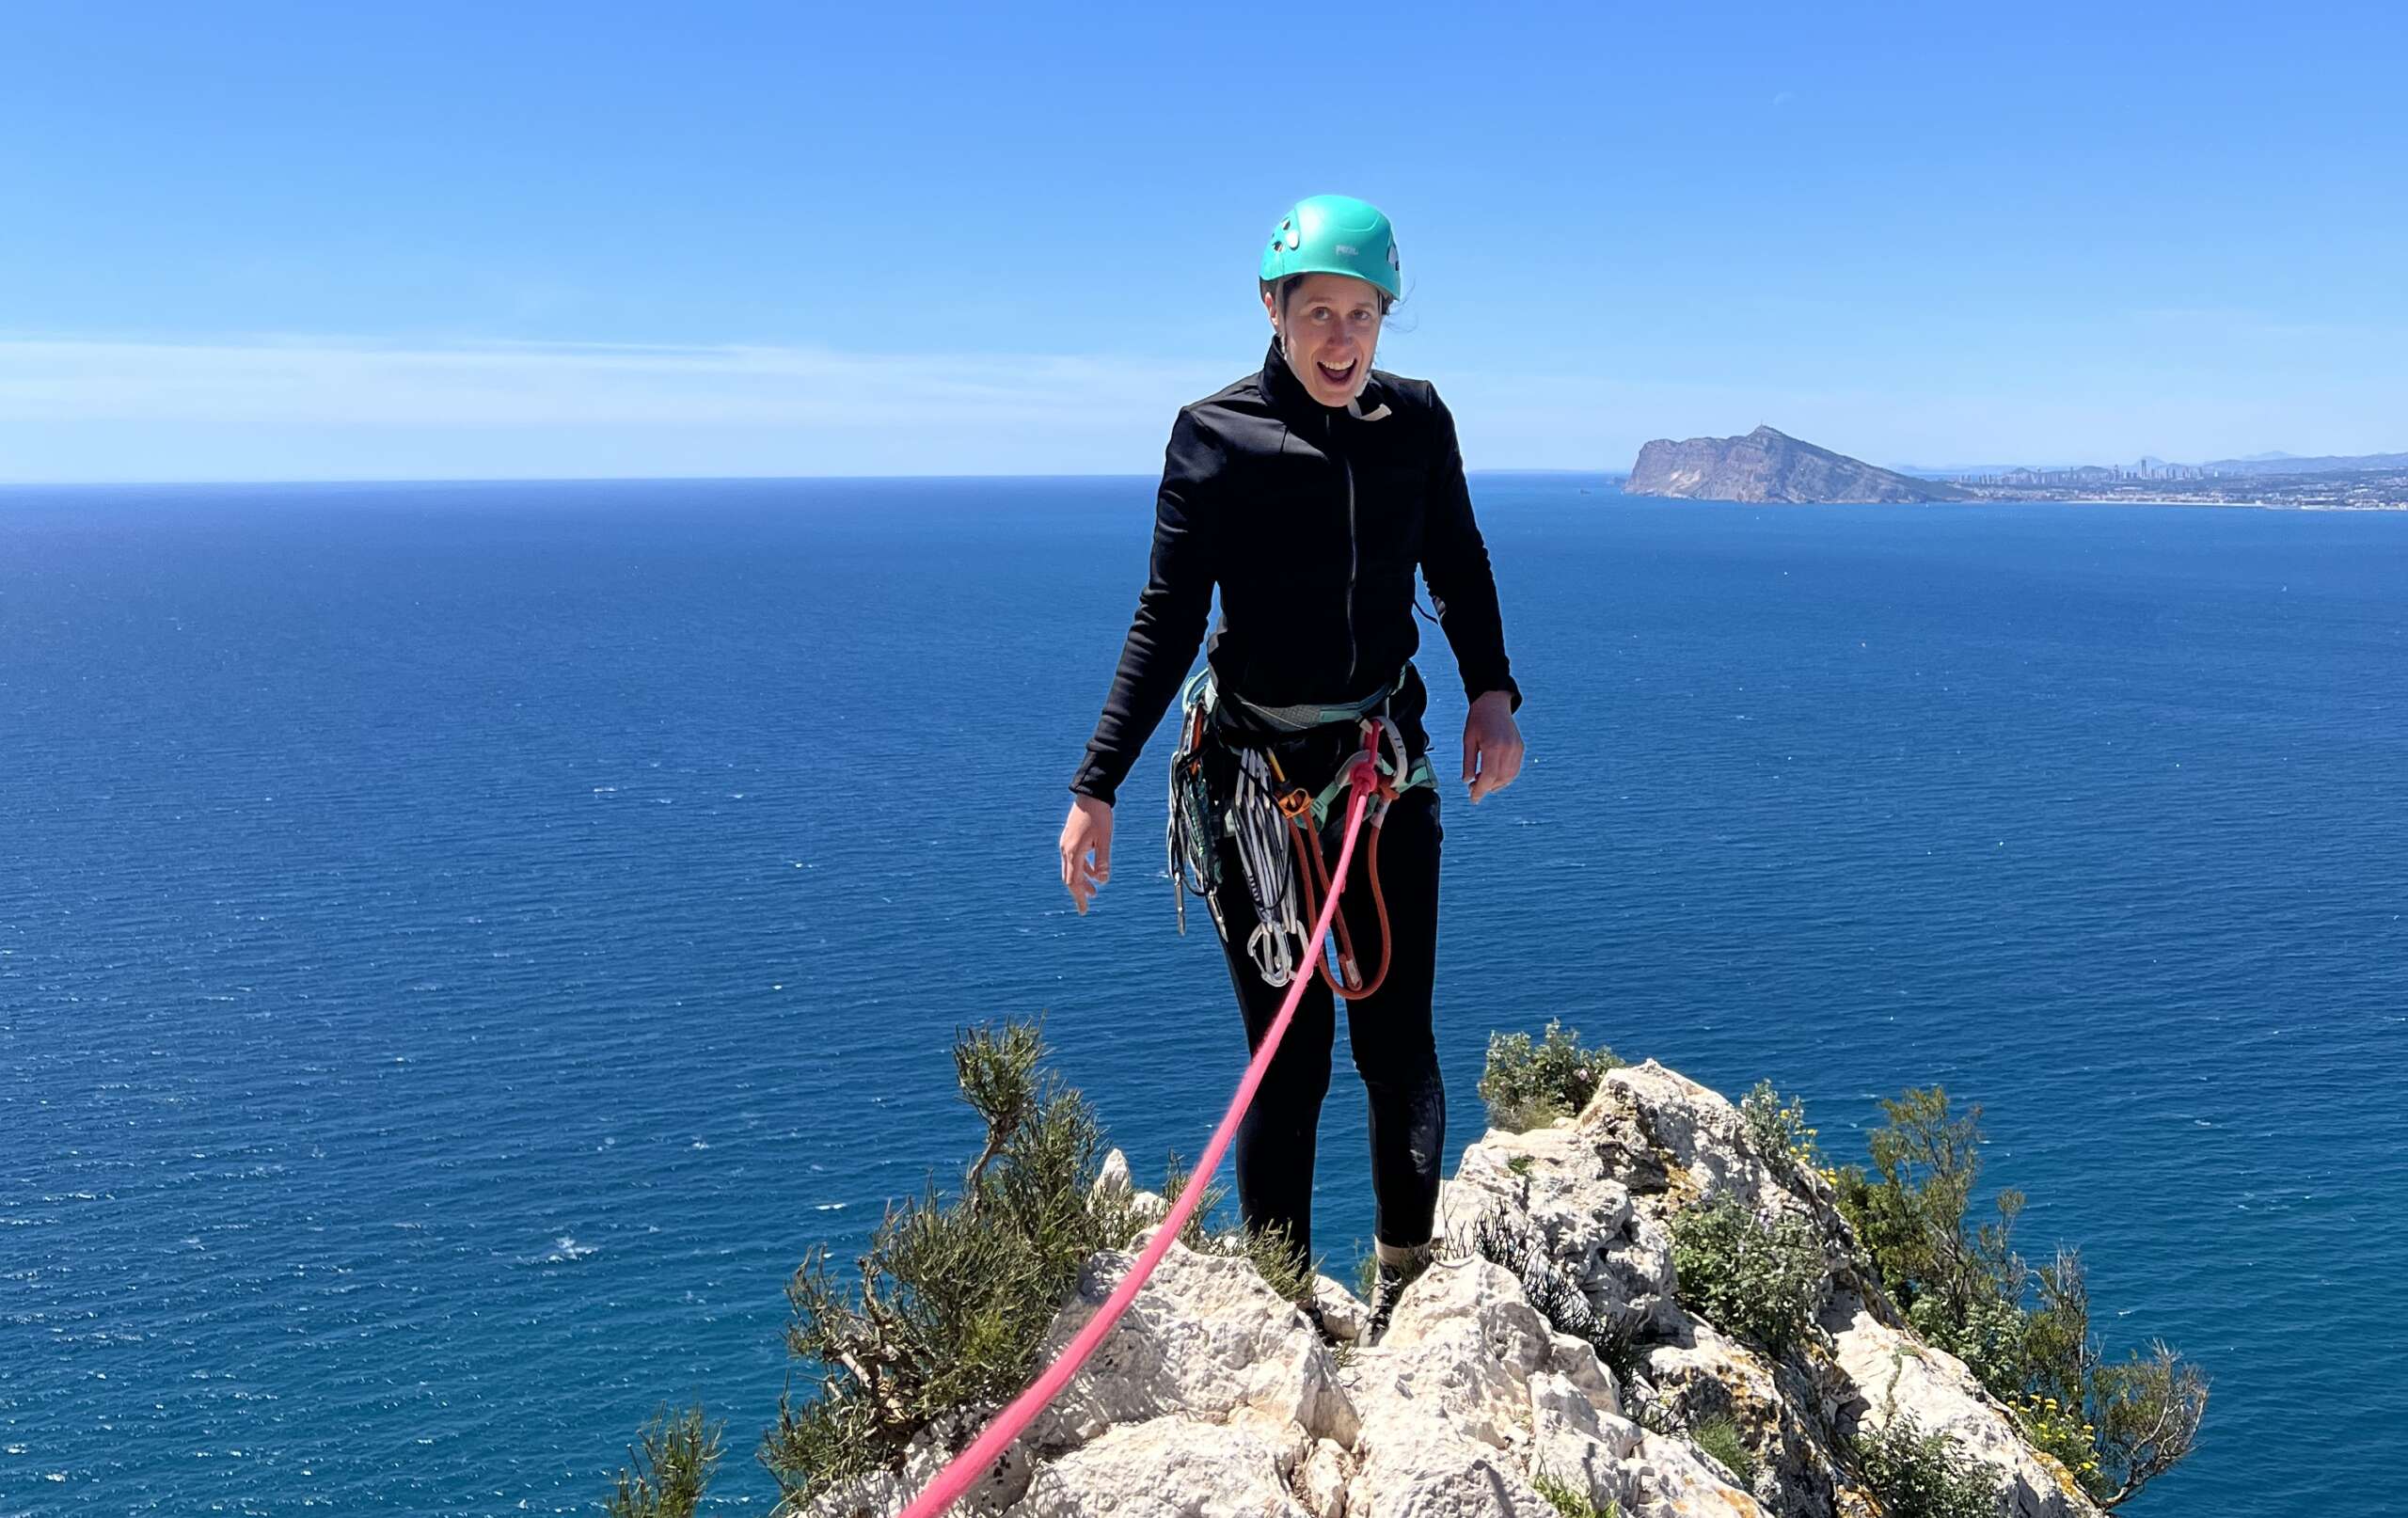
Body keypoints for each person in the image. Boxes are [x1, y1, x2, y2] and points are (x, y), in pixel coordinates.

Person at [1057, 194, 1524, 1344]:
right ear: (1271, 309)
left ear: (1382, 321)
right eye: (1316, 310)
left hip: (1382, 767)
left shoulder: (1414, 423)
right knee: (1289, 1054)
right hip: (1256, 790)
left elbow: (1457, 560)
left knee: (1396, 1035)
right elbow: (1166, 617)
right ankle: (1279, 1304)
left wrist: (1494, 692)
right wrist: (1096, 784)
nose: (1339, 337)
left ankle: (1404, 1284)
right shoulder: (1212, 436)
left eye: (1360, 314)